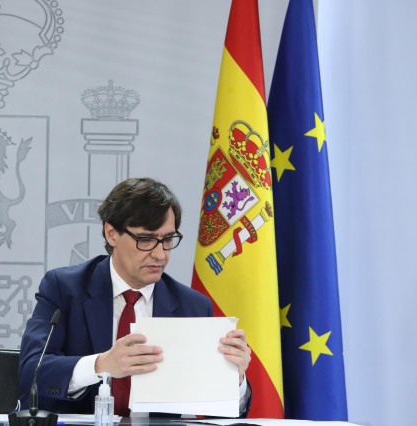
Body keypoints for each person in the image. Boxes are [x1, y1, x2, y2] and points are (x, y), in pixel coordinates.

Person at [17, 177, 252, 417]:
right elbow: (32, 372)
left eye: (168, 240)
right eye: (146, 239)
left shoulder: (192, 306)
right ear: (112, 234)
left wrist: (235, 378)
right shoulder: (64, 288)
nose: (160, 254)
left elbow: (218, 411)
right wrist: (101, 364)